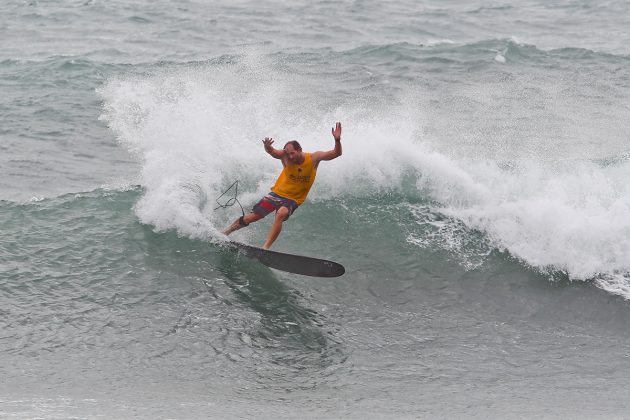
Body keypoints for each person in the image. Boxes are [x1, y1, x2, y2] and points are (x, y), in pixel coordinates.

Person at [223, 122, 343, 249]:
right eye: (288, 153)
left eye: (293, 153)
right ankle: (225, 232)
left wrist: (337, 140)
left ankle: (265, 248)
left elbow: (336, 153)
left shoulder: (313, 158)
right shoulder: (285, 156)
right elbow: (272, 151)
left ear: (300, 150)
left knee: (280, 214)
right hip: (277, 193)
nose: (290, 156)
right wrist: (267, 146)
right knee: (253, 217)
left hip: (294, 199)